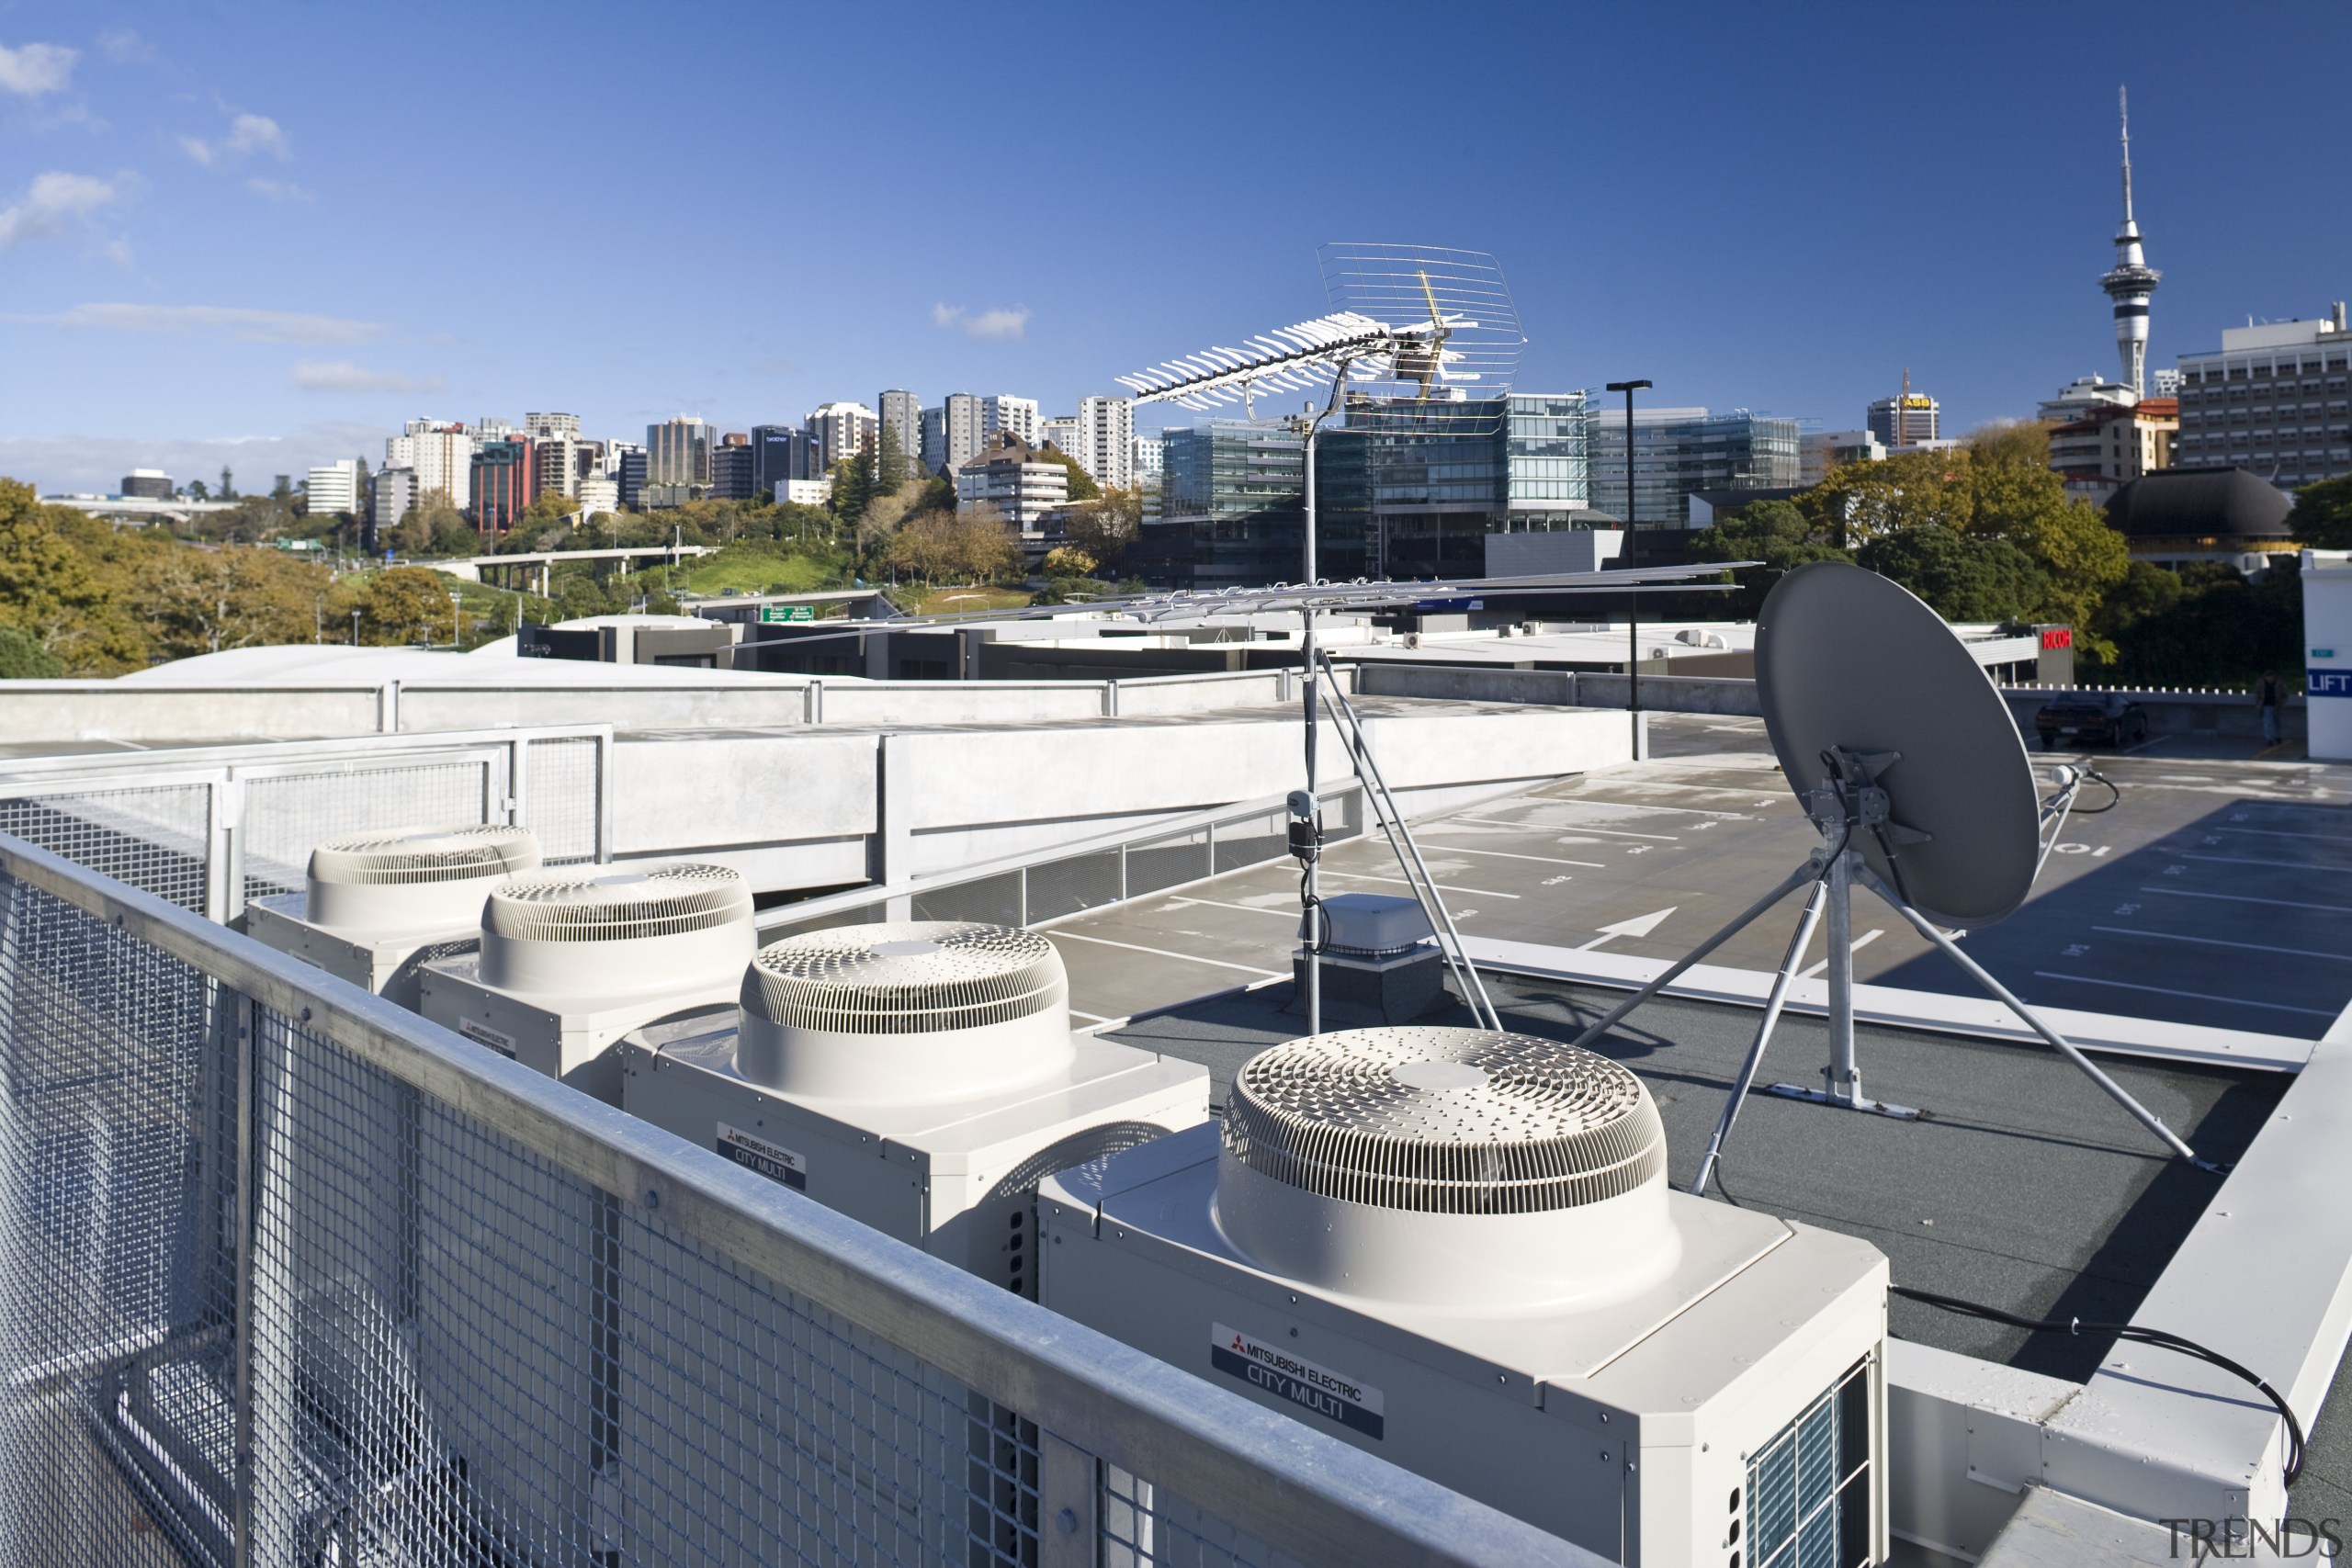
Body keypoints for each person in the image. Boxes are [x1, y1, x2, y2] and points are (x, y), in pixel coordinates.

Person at [2256, 671, 2283, 748]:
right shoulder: (2261, 684)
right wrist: (2259, 704)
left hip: (2277, 705)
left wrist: (2281, 703)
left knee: (2277, 722)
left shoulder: (2279, 684)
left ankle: (2277, 736)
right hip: (2266, 705)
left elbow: (2284, 694)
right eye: (2268, 677)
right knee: (2268, 723)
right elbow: (2257, 694)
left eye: (2271, 677)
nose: (2270, 678)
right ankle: (2270, 739)